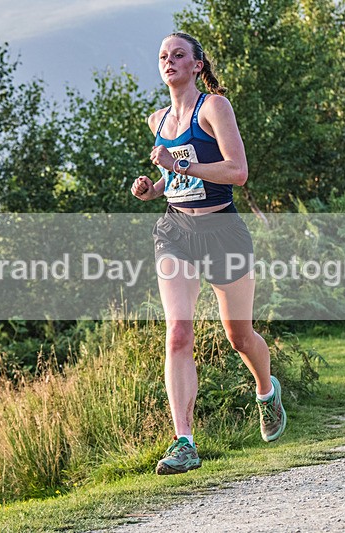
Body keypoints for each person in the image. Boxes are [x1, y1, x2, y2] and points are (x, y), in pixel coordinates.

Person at [130, 32, 286, 475]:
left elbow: (236, 172)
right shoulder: (156, 120)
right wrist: (151, 187)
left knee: (238, 336)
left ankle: (265, 390)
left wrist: (176, 165)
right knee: (178, 333)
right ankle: (184, 442)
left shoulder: (214, 107)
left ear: (197, 65)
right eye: (163, 56)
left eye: (179, 54)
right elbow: (178, 179)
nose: (169, 61)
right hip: (175, 231)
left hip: (223, 232)